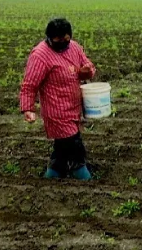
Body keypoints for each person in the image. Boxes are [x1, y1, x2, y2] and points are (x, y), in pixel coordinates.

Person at [20, 18, 96, 180]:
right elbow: (29, 84)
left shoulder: (74, 47)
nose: (62, 43)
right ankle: (82, 175)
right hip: (56, 110)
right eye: (58, 40)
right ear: (49, 38)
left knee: (62, 146)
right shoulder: (40, 55)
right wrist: (28, 108)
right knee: (73, 143)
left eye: (65, 39)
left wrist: (87, 71)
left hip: (74, 106)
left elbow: (88, 65)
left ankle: (53, 174)